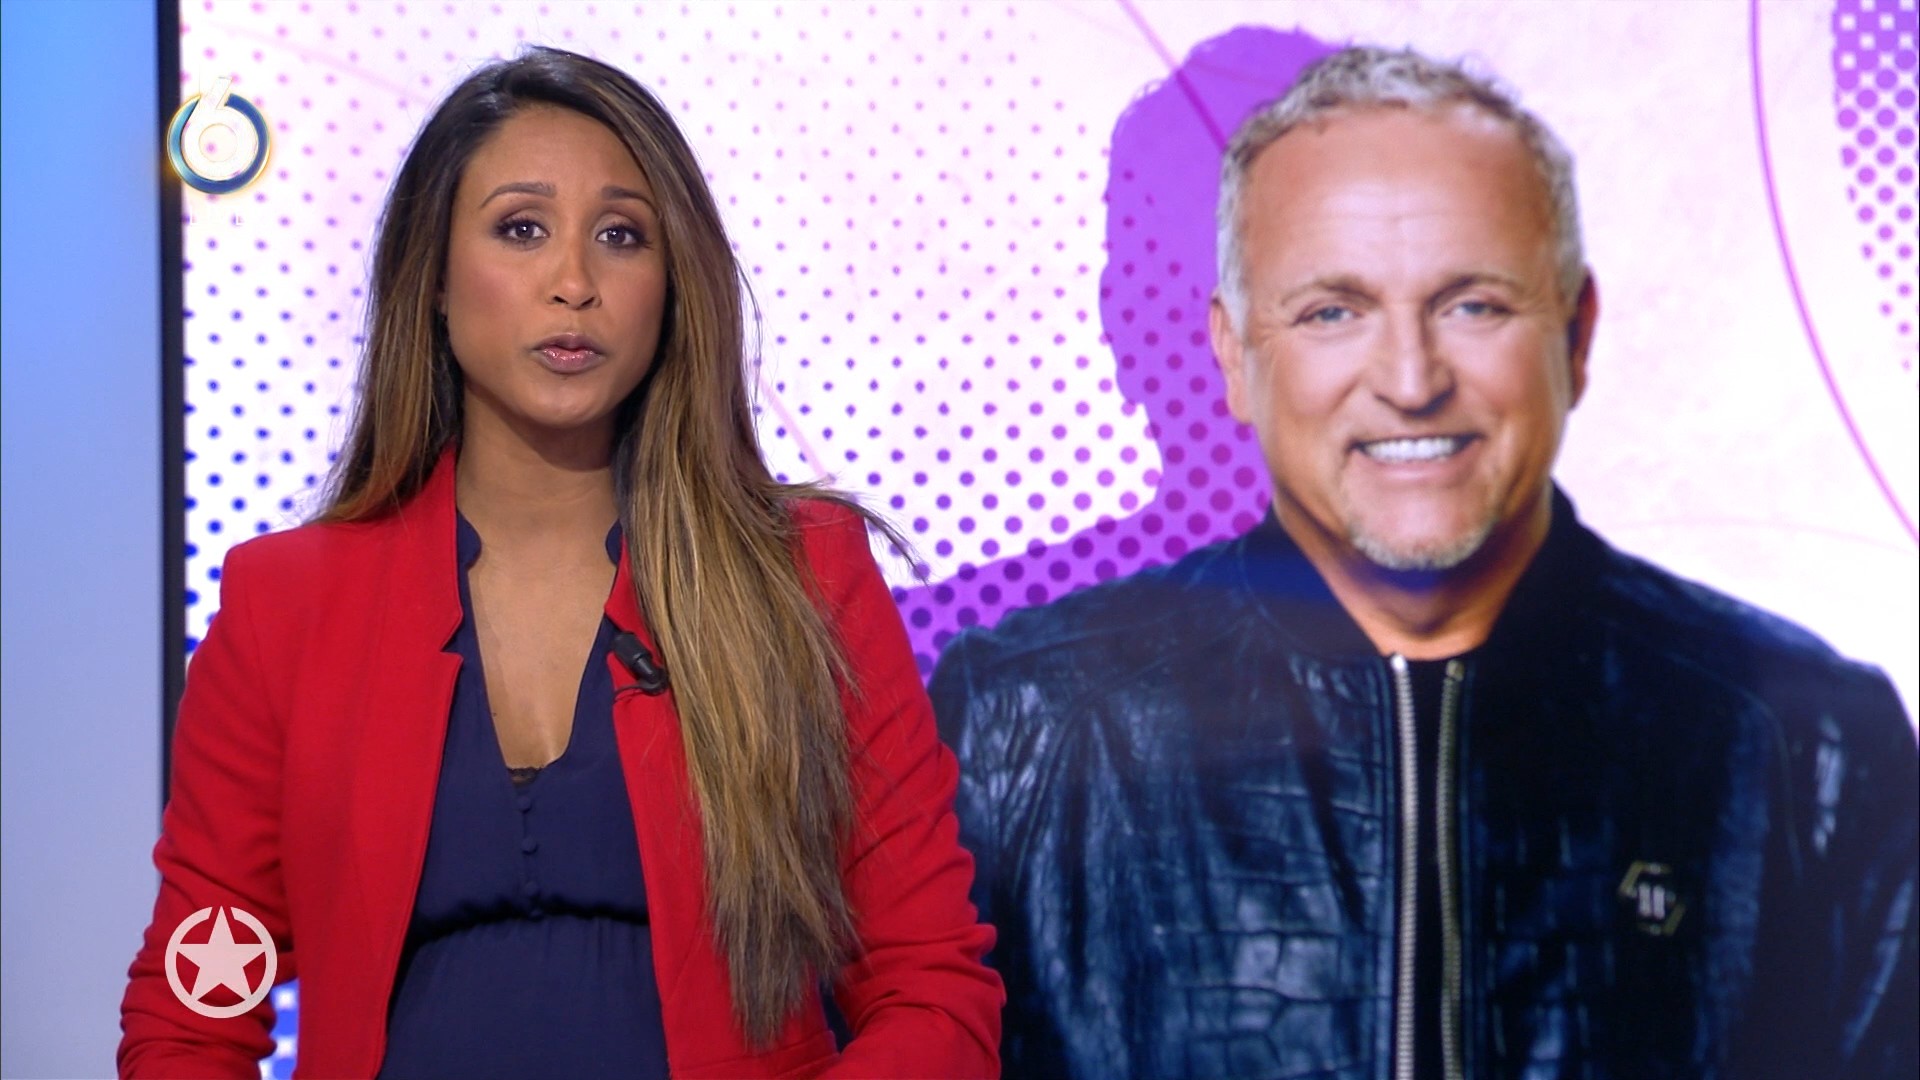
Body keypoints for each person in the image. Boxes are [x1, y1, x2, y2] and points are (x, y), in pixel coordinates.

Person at [930, 45, 1918, 1080]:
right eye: (1332, 312)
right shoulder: (1018, 729)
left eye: (1473, 304)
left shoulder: (1808, 747)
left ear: (1577, 335)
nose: (1409, 380)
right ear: (1234, 356)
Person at [122, 46, 1000, 1079]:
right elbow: (192, 1021)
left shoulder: (802, 576)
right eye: (521, 229)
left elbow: (930, 988)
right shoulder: (287, 605)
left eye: (621, 236)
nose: (574, 283)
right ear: (433, 279)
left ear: (672, 287)